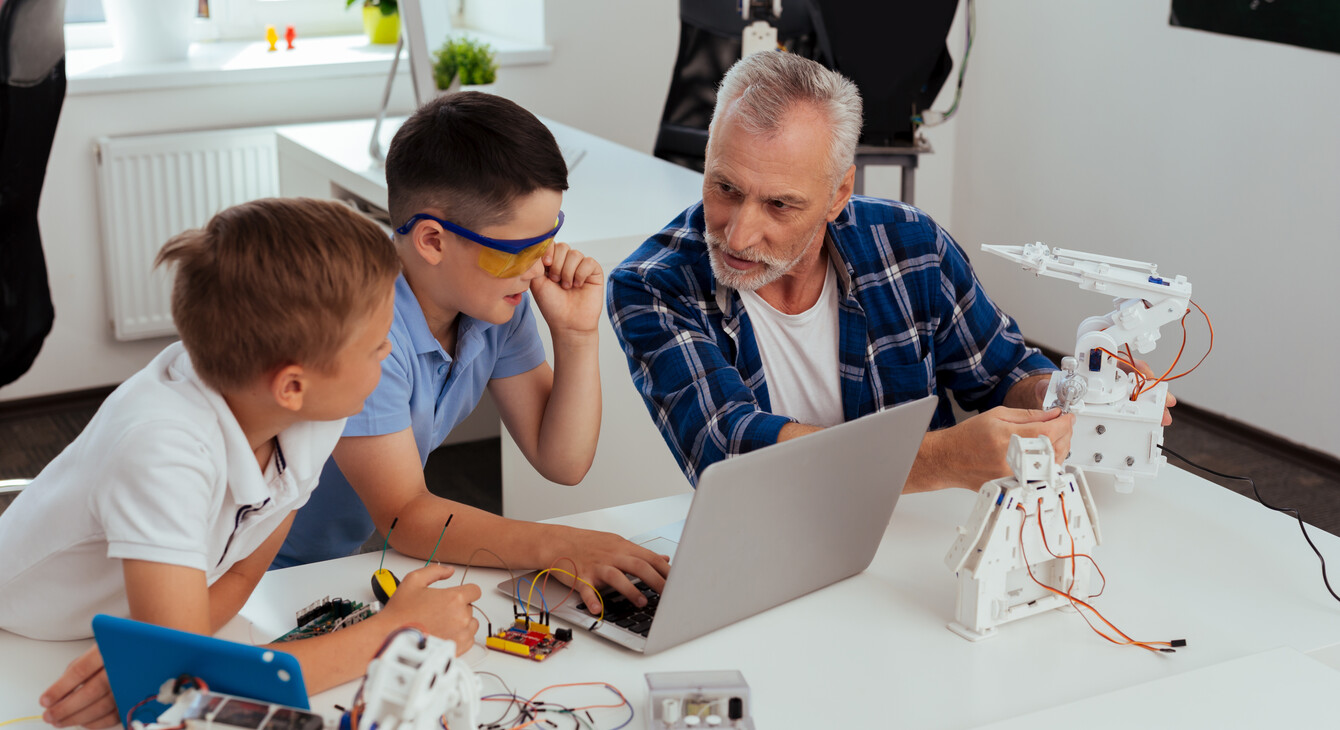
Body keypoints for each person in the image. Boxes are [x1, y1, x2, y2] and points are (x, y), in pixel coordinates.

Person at [0, 198, 481, 728]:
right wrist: (398, 634)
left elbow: (244, 571)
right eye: (377, 345)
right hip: (27, 643)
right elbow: (178, 685)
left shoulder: (312, 412)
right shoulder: (162, 450)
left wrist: (162, 666)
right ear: (292, 385)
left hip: (149, 618)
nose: (390, 354)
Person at [609, 52, 1173, 491]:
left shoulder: (911, 245)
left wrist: (1075, 393)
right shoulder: (652, 285)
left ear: (838, 195)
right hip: (764, 550)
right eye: (724, 188)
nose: (737, 234)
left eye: (779, 205)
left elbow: (1002, 374)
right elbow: (729, 450)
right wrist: (942, 460)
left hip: (914, 545)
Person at [274, 92, 670, 613]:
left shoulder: (493, 304)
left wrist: (576, 336)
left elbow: (563, 461)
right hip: (256, 571)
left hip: (330, 562)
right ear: (433, 241)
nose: (537, 269)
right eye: (516, 252)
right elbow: (403, 516)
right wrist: (561, 546)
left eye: (547, 240)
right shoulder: (364, 327)